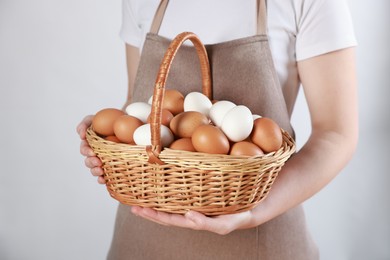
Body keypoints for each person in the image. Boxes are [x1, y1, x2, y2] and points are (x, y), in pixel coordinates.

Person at [77, 0, 358, 259]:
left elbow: (336, 134)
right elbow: (140, 108)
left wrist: (256, 211)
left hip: (262, 241)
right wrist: (109, 135)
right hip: (141, 238)